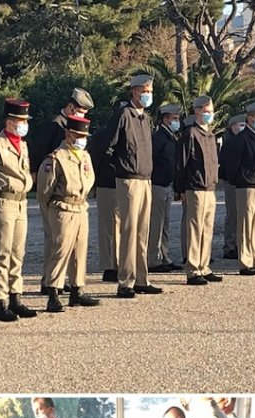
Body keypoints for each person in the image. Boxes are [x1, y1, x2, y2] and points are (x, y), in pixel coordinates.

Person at [0, 98, 37, 322]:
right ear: (9, 121)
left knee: (18, 253)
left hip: (21, 202)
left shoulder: (22, 145)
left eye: (25, 120)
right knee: (2, 254)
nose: (23, 124)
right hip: (3, 202)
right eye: (20, 120)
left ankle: (15, 296)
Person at [104, 75, 163, 298]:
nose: (148, 95)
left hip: (145, 178)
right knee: (128, 231)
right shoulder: (123, 114)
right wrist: (120, 169)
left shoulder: (145, 118)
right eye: (145, 91)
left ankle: (141, 278)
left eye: (150, 91)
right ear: (135, 92)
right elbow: (108, 146)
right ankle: (125, 281)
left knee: (142, 232)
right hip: (128, 179)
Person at [36, 115, 101, 311]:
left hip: (81, 207)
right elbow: (44, 191)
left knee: (79, 252)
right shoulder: (56, 158)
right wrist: (51, 210)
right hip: (62, 208)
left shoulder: (85, 156)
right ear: (68, 134)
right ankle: (53, 291)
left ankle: (77, 290)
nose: (82, 139)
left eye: (84, 136)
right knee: (60, 250)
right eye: (78, 135)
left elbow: (89, 180)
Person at [175, 95, 223, 286]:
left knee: (207, 229)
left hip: (209, 187)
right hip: (194, 187)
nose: (208, 114)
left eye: (210, 111)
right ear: (196, 111)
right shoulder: (190, 134)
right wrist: (180, 189)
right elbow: (181, 164)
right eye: (205, 111)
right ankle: (193, 269)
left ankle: (204, 265)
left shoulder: (210, 135)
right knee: (195, 229)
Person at [224, 102, 255, 274]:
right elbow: (232, 164)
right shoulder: (241, 139)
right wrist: (240, 179)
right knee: (245, 225)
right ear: (250, 118)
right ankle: (245, 261)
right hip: (246, 186)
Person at [149, 103, 182, 272]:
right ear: (165, 119)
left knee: (165, 224)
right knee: (157, 223)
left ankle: (164, 256)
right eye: (174, 119)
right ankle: (154, 259)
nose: (177, 122)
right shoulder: (159, 137)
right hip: (158, 184)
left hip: (168, 185)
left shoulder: (170, 137)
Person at [88, 120, 120, 283]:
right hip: (107, 183)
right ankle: (109, 266)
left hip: (124, 182)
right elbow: (94, 159)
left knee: (122, 227)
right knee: (108, 227)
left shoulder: (128, 131)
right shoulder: (102, 135)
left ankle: (121, 263)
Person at [218, 114, 246, 260]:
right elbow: (226, 163)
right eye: (239, 125)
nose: (242, 128)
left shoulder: (244, 140)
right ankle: (229, 246)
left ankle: (239, 244)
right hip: (231, 181)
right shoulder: (229, 141)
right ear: (232, 126)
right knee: (232, 214)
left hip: (242, 182)